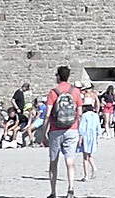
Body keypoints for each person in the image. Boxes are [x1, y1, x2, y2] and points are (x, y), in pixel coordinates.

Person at [43, 67, 84, 198]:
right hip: (72, 129)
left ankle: (53, 192)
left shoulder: (53, 92)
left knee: (53, 161)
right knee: (70, 160)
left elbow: (48, 113)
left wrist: (44, 132)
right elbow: (80, 113)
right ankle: (71, 189)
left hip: (55, 130)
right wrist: (79, 131)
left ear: (58, 76)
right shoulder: (75, 92)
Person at [77, 83, 101, 182]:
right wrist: (98, 138)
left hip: (86, 136)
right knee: (89, 155)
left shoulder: (85, 116)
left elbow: (82, 128)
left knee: (85, 157)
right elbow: (98, 128)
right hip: (93, 136)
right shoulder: (95, 116)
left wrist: (79, 139)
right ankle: (94, 168)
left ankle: (86, 175)